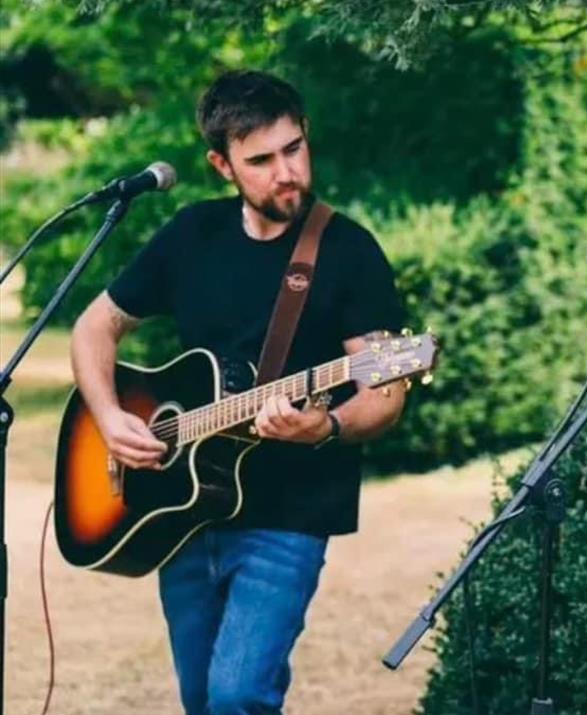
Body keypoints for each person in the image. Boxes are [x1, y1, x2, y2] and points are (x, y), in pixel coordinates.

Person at [69, 70, 407, 714]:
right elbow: (94, 328)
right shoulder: (193, 235)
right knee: (201, 700)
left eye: (294, 149)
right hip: (182, 512)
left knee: (237, 696)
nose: (286, 172)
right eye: (261, 160)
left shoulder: (349, 251)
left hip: (288, 518)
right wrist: (110, 418)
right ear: (221, 165)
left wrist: (327, 427)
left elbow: (385, 391)